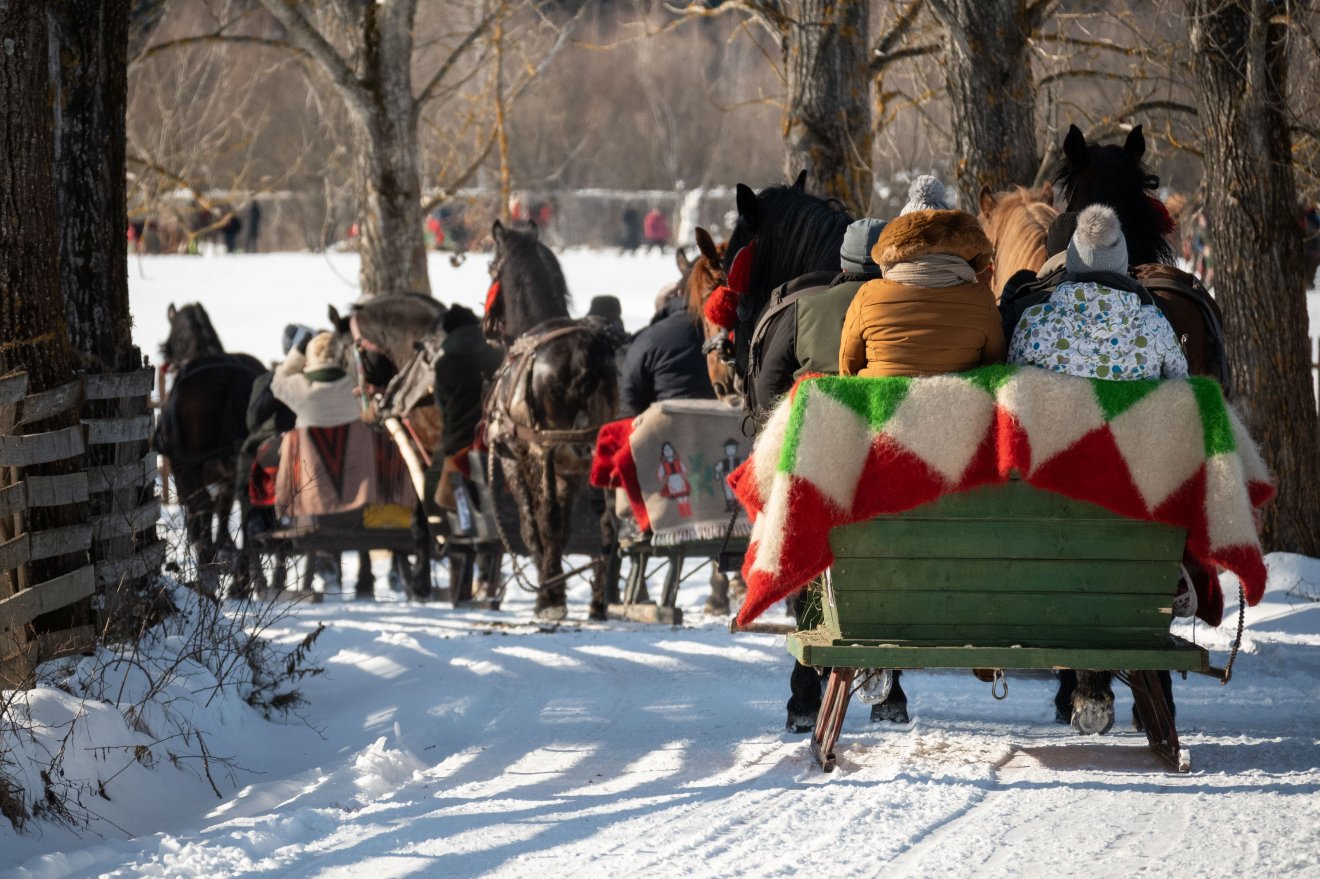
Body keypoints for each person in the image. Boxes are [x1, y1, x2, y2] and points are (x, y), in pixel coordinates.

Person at [839, 177, 1004, 377]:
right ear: (955, 241)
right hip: (958, 405)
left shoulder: (868, 296)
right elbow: (995, 367)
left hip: (883, 406)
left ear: (897, 240)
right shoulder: (982, 300)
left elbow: (847, 369)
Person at [1008, 204, 1187, 380]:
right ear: (1122, 264)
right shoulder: (1155, 325)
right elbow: (1181, 387)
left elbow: (1015, 386)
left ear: (1071, 262)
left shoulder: (1034, 323)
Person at [746, 217, 887, 425]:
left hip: (816, 430)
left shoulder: (803, 308)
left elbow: (768, 388)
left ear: (844, 263)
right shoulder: (910, 306)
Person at [432, 305, 504, 510]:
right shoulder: (497, 356)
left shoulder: (443, 364)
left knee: (444, 494)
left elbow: (441, 405)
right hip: (496, 444)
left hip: (457, 446)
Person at [619, 292, 715, 417]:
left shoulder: (650, 336)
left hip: (666, 422)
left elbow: (631, 392)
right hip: (725, 422)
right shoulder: (725, 328)